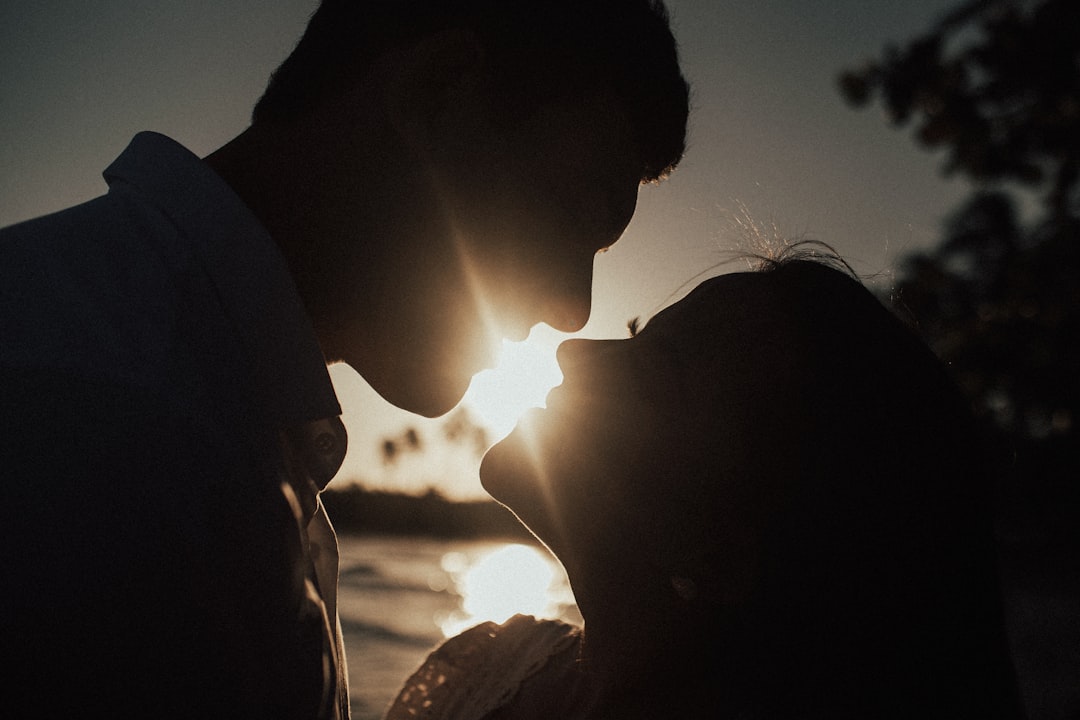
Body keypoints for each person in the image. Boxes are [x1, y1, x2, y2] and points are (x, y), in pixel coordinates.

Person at [0, 1, 689, 717]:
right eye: (571, 211)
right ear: (438, 95)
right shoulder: (120, 443)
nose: (573, 310)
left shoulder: (169, 403)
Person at [385, 247, 1024, 719]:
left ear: (732, 549)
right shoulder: (487, 669)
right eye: (638, 332)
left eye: (660, 363)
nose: (571, 350)